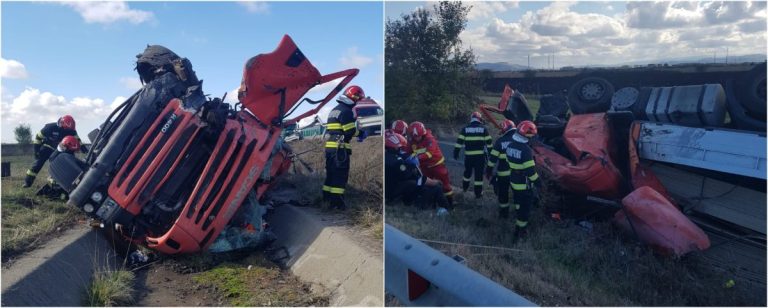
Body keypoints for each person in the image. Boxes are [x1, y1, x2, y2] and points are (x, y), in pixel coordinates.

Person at [323, 85, 367, 210]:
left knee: (331, 174)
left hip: (331, 148)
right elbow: (349, 131)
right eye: (358, 99)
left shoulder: (334, 110)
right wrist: (361, 133)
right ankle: (337, 203)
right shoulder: (346, 111)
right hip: (340, 149)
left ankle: (326, 199)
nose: (358, 102)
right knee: (340, 175)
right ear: (354, 97)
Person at [384, 130, 449, 211]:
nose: (401, 149)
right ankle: (445, 209)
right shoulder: (397, 161)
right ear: (395, 146)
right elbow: (412, 176)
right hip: (393, 192)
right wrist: (433, 182)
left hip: (389, 189)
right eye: (400, 147)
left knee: (414, 184)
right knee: (434, 187)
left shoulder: (386, 157)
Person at [24, 115, 86, 188]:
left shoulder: (71, 130)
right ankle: (27, 182)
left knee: (62, 166)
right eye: (66, 129)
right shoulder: (49, 127)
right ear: (62, 123)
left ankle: (55, 182)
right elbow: (38, 137)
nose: (67, 131)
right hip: (47, 147)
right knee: (38, 164)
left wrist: (83, 147)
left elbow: (77, 139)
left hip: (61, 150)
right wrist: (36, 150)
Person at [505, 120, 541, 242]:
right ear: (527, 135)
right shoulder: (526, 150)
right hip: (523, 183)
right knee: (525, 209)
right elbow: (531, 171)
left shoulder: (510, 145)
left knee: (517, 201)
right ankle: (520, 231)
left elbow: (508, 161)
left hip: (513, 180)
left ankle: (518, 214)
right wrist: (538, 183)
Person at [408, 121, 453, 207]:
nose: (416, 138)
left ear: (423, 133)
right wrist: (407, 157)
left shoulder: (430, 139)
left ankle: (450, 204)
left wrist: (418, 158)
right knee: (427, 185)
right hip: (424, 167)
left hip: (437, 166)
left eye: (418, 136)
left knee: (445, 185)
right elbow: (409, 151)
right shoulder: (412, 141)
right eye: (414, 136)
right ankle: (431, 203)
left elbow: (429, 153)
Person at [453, 111, 492, 199]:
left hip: (469, 157)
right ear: (479, 119)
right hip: (480, 157)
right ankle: (478, 194)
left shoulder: (465, 128)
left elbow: (459, 142)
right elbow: (489, 144)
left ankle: (465, 188)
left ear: (471, 119)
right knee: (478, 175)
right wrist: (491, 155)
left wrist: (456, 152)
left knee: (467, 173)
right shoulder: (483, 128)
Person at [37, 136, 86, 200]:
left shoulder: (62, 153)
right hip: (60, 181)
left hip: (61, 180)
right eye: (73, 151)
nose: (74, 153)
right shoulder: (60, 156)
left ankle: (50, 191)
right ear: (68, 146)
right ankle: (46, 191)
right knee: (66, 197)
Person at [485, 119, 516, 218]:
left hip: (503, 174)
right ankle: (519, 214)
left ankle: (504, 215)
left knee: (503, 194)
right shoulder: (520, 140)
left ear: (504, 129)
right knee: (518, 194)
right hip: (518, 174)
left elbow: (492, 160)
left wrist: (488, 171)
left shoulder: (500, 141)